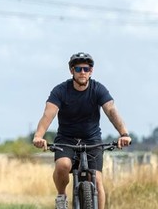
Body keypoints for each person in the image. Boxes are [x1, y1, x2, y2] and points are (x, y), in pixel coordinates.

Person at [31, 52, 131, 209]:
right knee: (63, 165)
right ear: (72, 71)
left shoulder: (98, 89)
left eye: (86, 68)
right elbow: (48, 114)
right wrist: (39, 136)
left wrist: (124, 134)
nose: (82, 72)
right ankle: (61, 196)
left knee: (97, 180)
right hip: (66, 140)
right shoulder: (60, 91)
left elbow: (111, 110)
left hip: (92, 140)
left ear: (91, 71)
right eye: (78, 69)